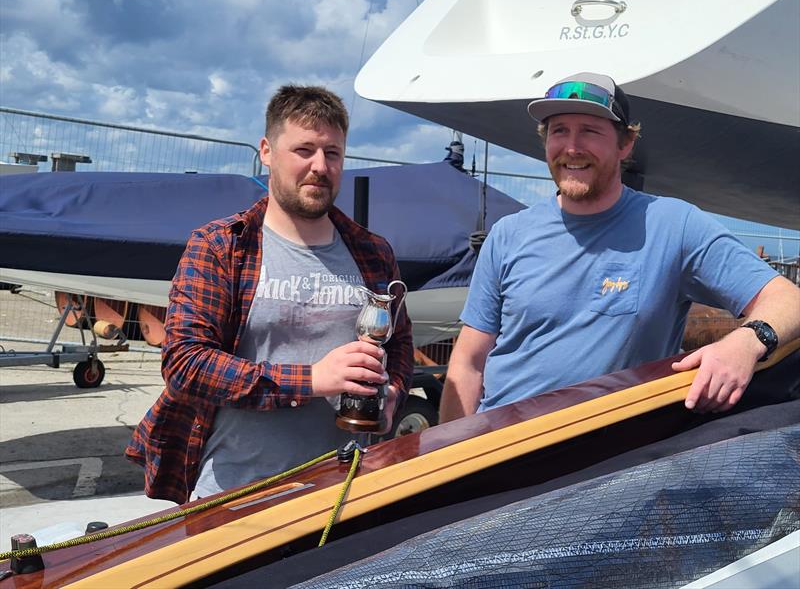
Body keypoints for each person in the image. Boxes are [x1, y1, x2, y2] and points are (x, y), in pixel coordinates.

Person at [440, 72, 800, 423]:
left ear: (625, 143)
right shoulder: (507, 235)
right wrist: (446, 459)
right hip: (497, 452)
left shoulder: (673, 225)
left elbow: (789, 300)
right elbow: (470, 361)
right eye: (558, 131)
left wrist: (745, 344)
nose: (571, 147)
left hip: (611, 460)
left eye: (590, 131)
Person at [126, 85, 414, 503]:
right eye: (304, 150)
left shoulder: (372, 252)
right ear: (267, 150)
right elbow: (185, 362)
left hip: (344, 490)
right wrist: (312, 380)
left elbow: (400, 342)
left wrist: (392, 394)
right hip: (236, 494)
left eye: (332, 153)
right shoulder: (221, 247)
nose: (320, 166)